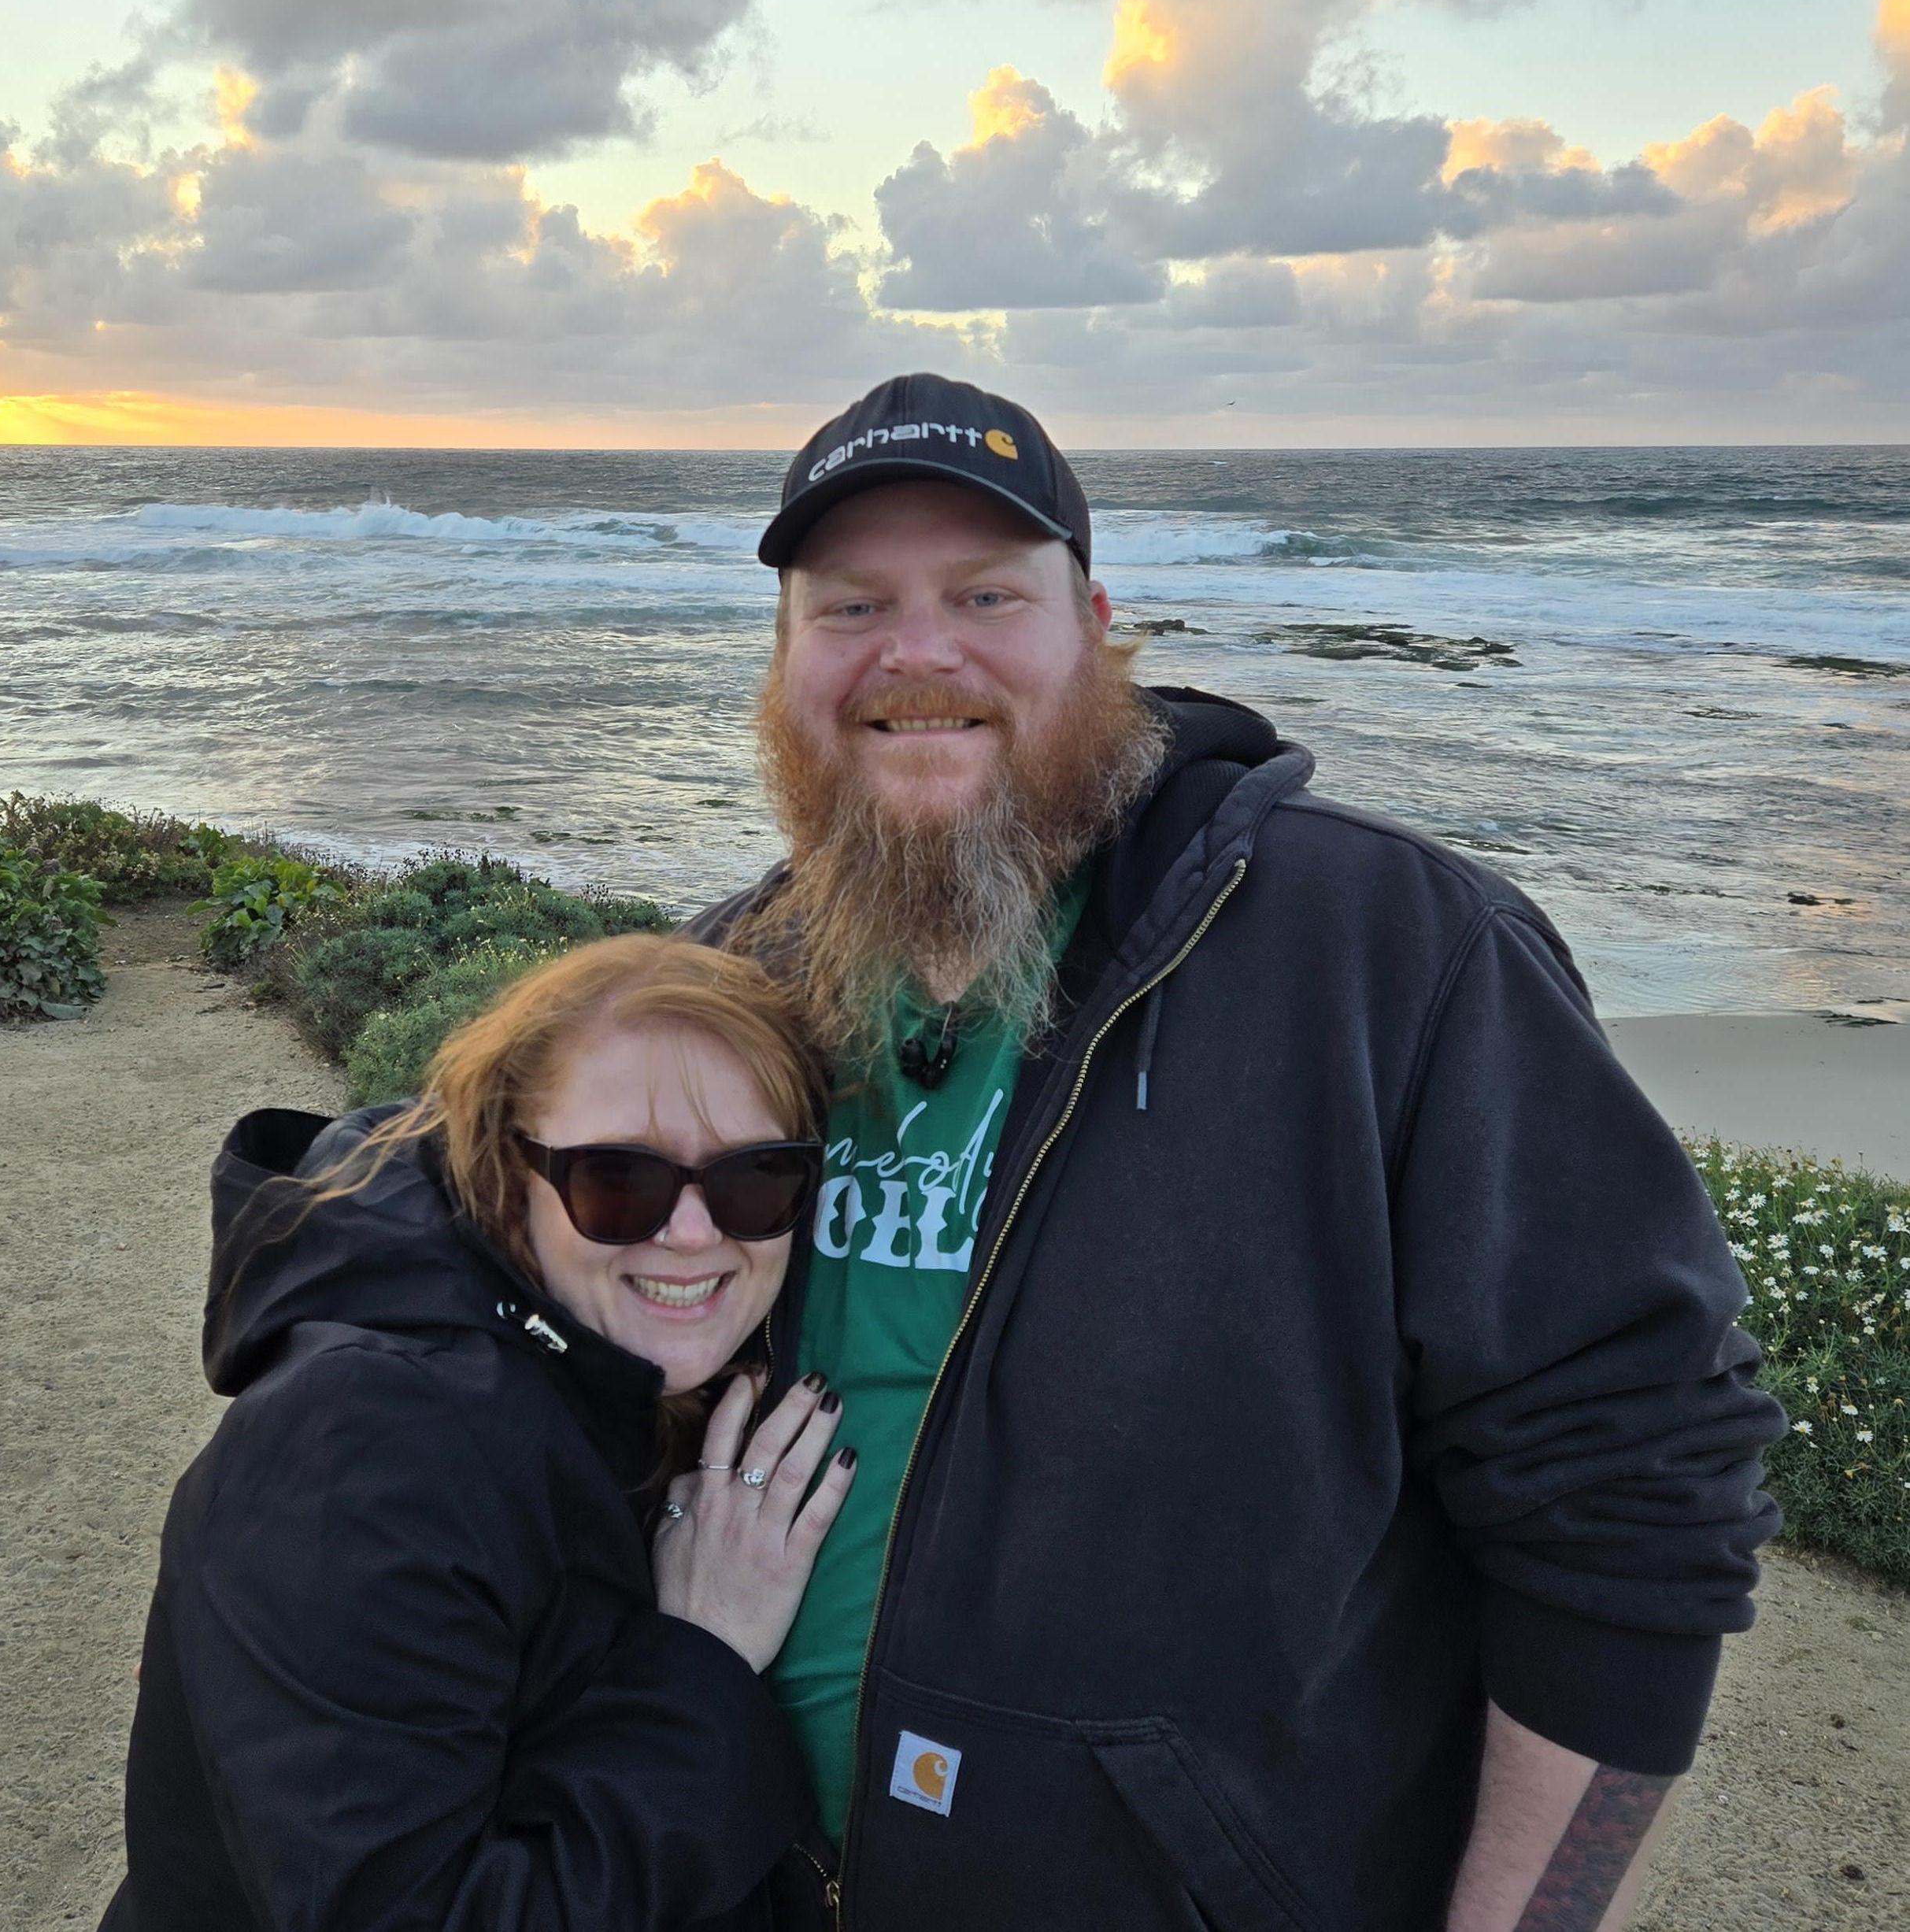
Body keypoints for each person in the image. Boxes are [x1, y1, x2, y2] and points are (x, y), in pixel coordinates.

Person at [690, 371, 1786, 1932]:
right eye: (850, 604)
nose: (915, 653)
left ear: (1098, 627)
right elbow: (472, 1211)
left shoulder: (1390, 956)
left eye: (987, 594)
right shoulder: (735, 980)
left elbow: (1640, 1488)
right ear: (788, 657)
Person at [100, 934, 857, 1932]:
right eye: (616, 1181)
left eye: (753, 1179)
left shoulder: (583, 1374)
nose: (691, 1232)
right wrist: (699, 1659)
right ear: (508, 1171)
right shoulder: (358, 1451)